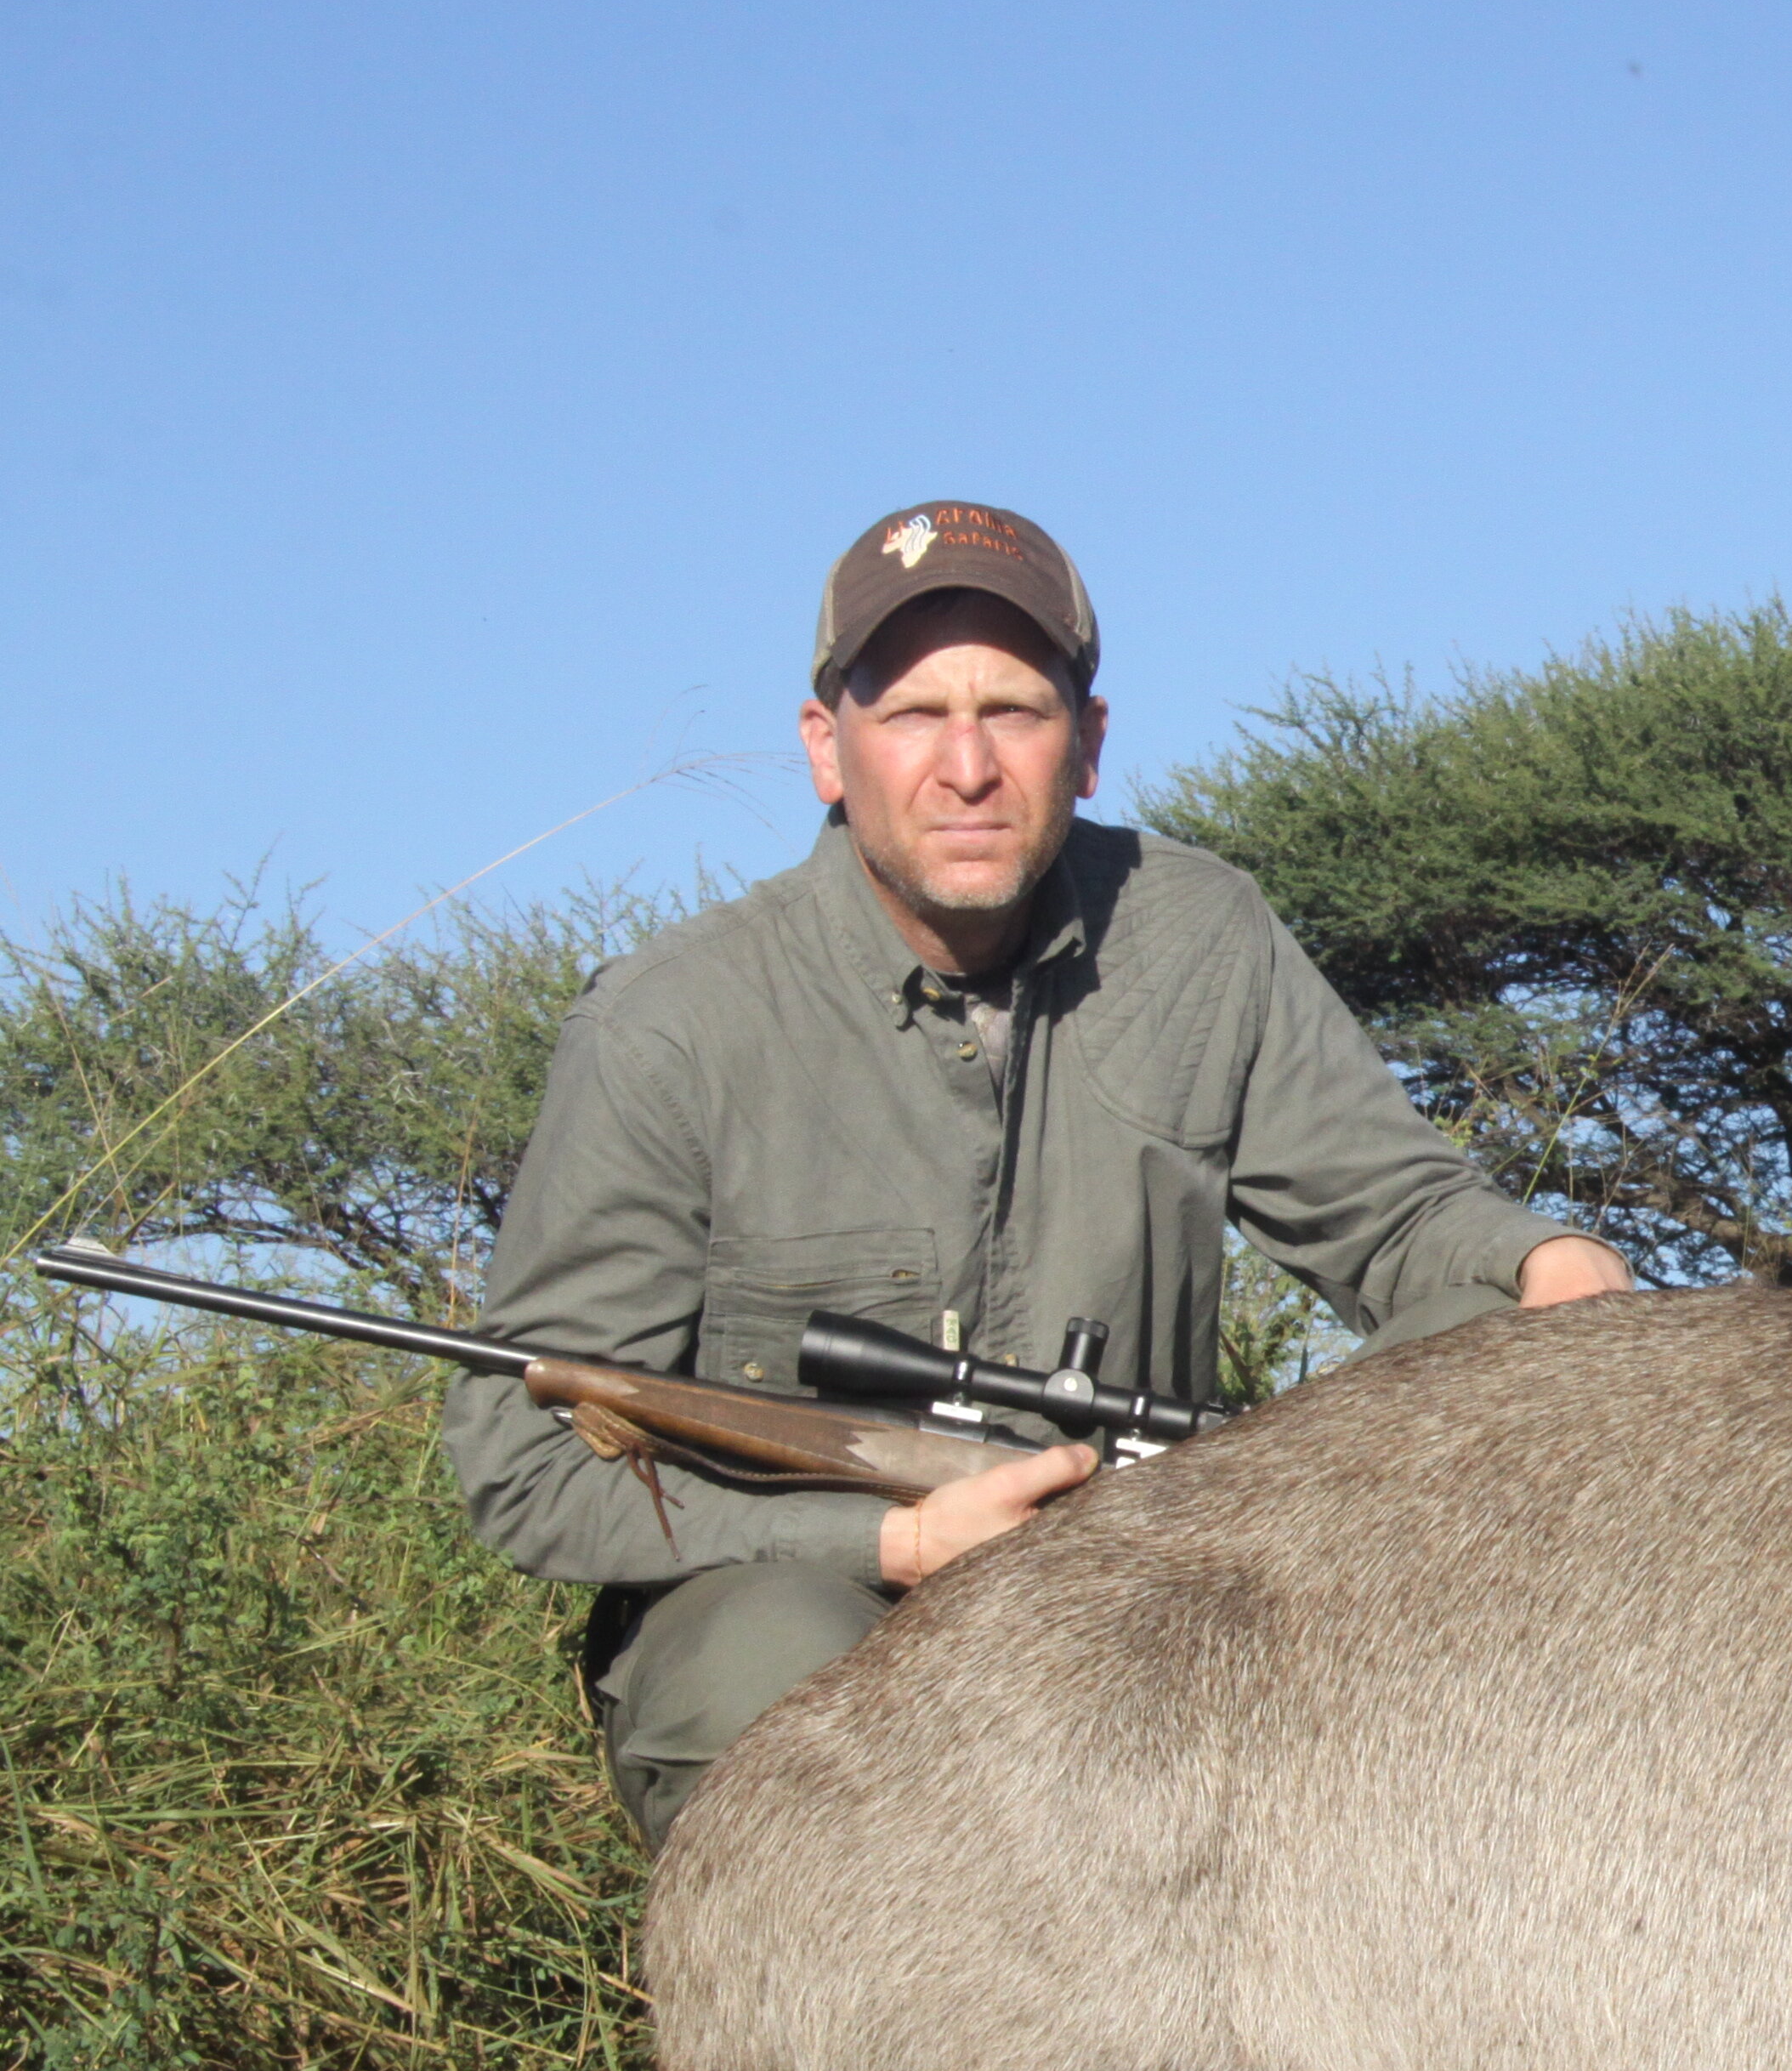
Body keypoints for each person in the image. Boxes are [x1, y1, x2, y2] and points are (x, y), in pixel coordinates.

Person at [446, 501, 1629, 1847]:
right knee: (766, 1666)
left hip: (1147, 1559)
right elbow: (520, 1458)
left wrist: (1539, 1262)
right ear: (826, 750)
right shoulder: (668, 1025)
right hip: (823, 1591)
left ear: (1091, 745)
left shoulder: (1200, 932)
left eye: (1014, 710)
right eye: (911, 715)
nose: (967, 767)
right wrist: (884, 1545)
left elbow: (1404, 1217)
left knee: (1503, 1340)